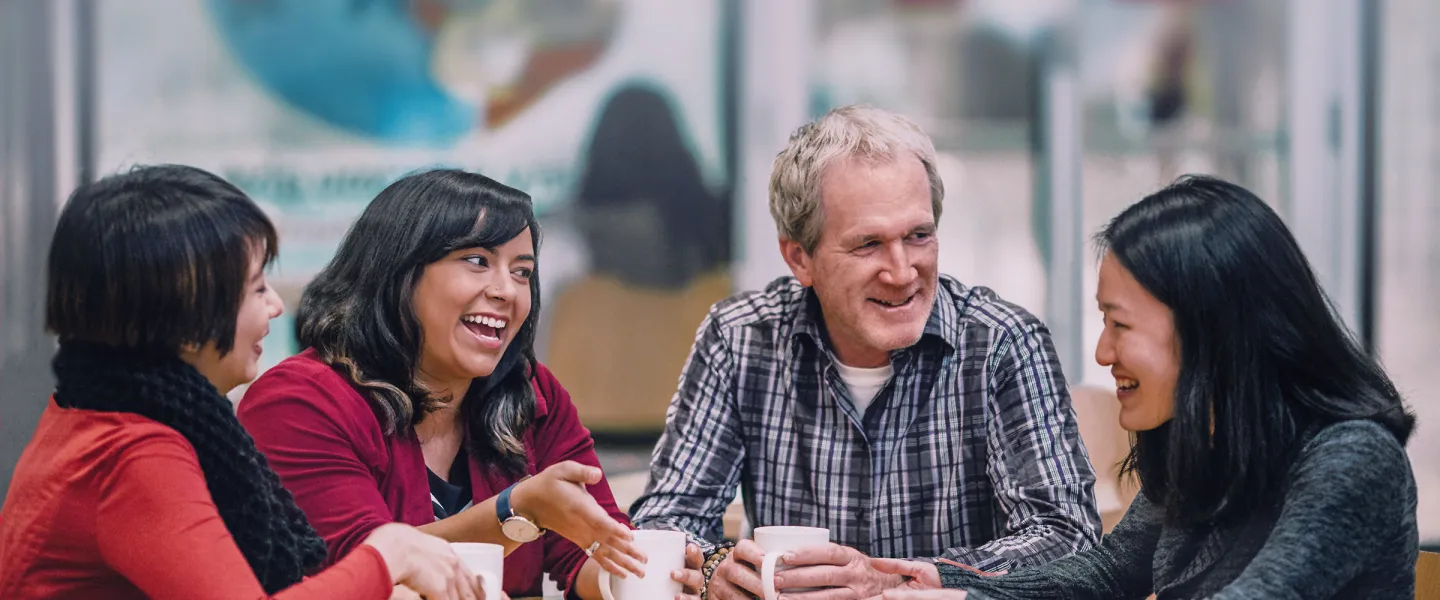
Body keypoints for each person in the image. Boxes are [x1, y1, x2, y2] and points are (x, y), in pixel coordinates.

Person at [630, 105, 1102, 600]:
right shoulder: (740, 339)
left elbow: (1067, 539)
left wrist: (896, 582)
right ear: (799, 258)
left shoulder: (1002, 343)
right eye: (868, 244)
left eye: (918, 235)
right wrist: (715, 570)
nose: (901, 272)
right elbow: (664, 522)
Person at [871, 175, 1419, 599]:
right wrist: (943, 585)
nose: (1102, 353)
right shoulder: (1204, 439)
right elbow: (1110, 573)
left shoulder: (1352, 459)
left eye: (1120, 324)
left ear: (1209, 328)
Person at [0, 165, 487, 600]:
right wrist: (388, 555)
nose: (275, 306)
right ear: (188, 319)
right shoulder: (133, 453)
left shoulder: (102, 411)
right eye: (256, 289)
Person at [238, 169, 677, 600]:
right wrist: (515, 511)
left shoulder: (531, 392)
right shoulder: (299, 401)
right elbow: (363, 574)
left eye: (522, 272)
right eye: (477, 262)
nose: (506, 290)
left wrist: (637, 574)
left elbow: (591, 555)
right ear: (398, 272)